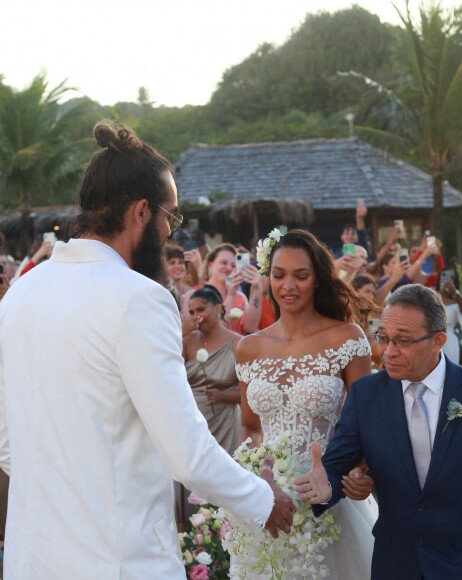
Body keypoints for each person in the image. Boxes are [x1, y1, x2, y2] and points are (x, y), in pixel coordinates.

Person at [0, 121, 294, 579]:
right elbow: (186, 451)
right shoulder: (139, 298)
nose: (169, 229)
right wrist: (262, 499)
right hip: (121, 561)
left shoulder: (19, 294)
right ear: (141, 212)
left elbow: (5, 443)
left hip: (31, 559)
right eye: (169, 216)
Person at [295, 284, 462, 580]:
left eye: (403, 341)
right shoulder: (365, 395)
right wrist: (327, 487)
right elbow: (336, 465)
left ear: (438, 341)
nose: (388, 352)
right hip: (395, 564)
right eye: (383, 338)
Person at [233, 228, 378, 579]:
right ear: (268, 278)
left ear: (317, 279)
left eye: (301, 275)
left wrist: (361, 473)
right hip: (267, 499)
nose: (289, 286)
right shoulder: (248, 348)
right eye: (279, 275)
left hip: (328, 497)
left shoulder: (347, 339)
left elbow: (368, 425)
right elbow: (251, 427)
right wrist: (261, 475)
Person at [183, 285, 242, 455]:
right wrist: (180, 333)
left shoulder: (238, 343)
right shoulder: (187, 341)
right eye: (192, 312)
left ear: (217, 309)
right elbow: (166, 376)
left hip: (225, 422)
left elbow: (252, 393)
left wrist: (223, 396)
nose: (196, 316)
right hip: (192, 420)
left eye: (201, 309)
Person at [436, 267, 462, 364]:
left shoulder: (458, 301)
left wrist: (455, 293)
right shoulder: (431, 296)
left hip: (449, 341)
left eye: (452, 278)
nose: (448, 280)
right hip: (430, 340)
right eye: (445, 276)